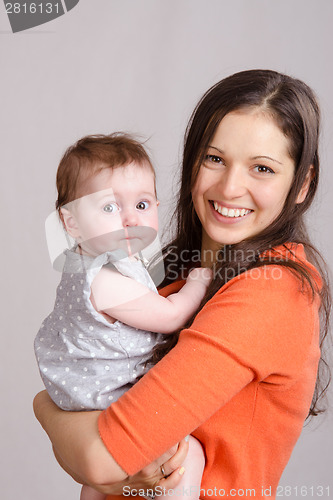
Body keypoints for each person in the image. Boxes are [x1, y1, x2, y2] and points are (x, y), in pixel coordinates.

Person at [34, 70, 331, 500]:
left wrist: (43, 408)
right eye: (215, 158)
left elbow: (100, 459)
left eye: (262, 168)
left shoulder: (272, 292)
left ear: (301, 184)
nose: (230, 187)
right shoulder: (173, 268)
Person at [34, 134, 209, 500]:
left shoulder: (104, 264)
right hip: (106, 396)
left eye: (143, 204)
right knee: (187, 454)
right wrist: (199, 279)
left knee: (99, 485)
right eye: (110, 208)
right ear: (72, 223)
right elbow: (171, 316)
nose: (131, 219)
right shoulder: (105, 279)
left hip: (92, 393)